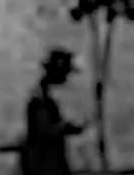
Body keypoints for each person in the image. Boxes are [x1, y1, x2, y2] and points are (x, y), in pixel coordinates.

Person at [22, 47, 86, 175]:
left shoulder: (44, 96)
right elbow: (45, 129)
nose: (66, 77)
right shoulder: (40, 98)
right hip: (44, 164)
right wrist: (65, 128)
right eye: (64, 72)